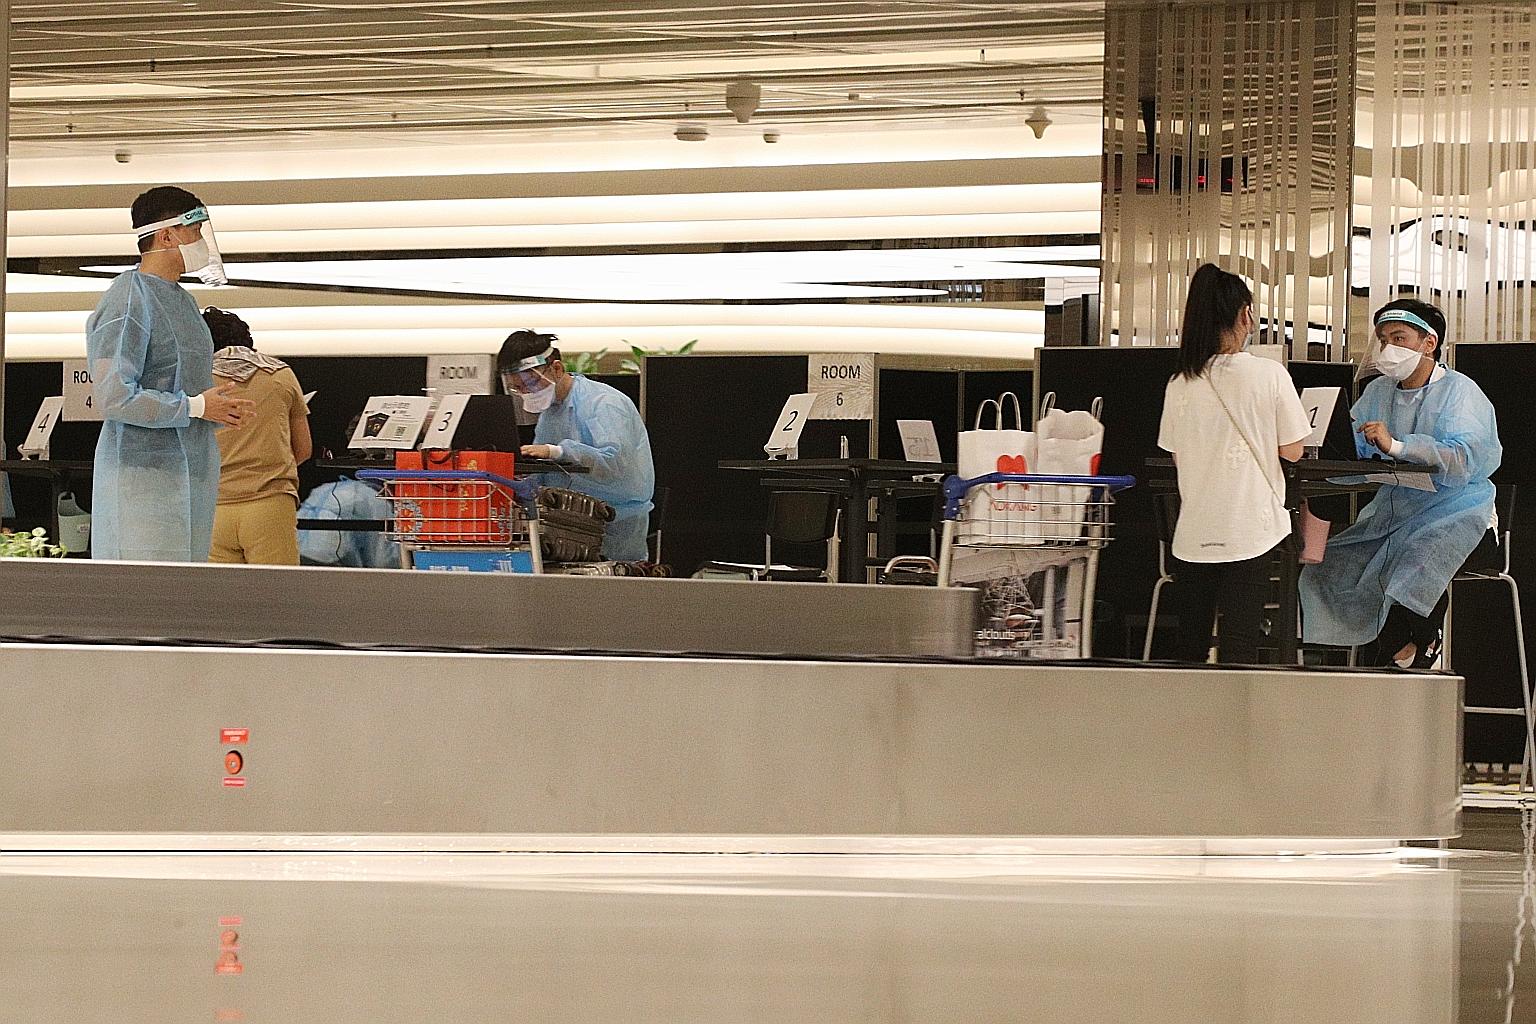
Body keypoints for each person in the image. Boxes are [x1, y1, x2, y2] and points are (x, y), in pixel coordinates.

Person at [1301, 299, 1501, 668]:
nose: (1388, 347)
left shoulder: (1460, 391)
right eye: (1382, 339)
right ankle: (1400, 649)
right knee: (1332, 565)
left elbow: (1466, 458)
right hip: (1396, 514)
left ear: (1429, 343)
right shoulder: (1379, 391)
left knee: (1412, 560)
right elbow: (1353, 446)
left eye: (1399, 337)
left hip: (1459, 514)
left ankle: (1422, 646)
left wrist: (1398, 446)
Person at [87, 186, 254, 562]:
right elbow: (114, 397)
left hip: (191, 478)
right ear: (166, 235)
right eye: (195, 231)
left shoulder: (184, 303)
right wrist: (196, 407)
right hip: (142, 483)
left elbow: (184, 384)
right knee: (146, 589)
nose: (201, 241)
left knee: (185, 587)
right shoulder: (127, 299)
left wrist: (217, 409)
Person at [1157, 264, 1311, 664]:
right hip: (1249, 528)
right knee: (1239, 644)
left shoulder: (1179, 383)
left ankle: (1188, 704)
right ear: (1245, 314)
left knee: (1191, 645)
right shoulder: (1269, 374)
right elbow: (1293, 450)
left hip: (1194, 532)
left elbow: (1176, 455)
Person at [496, 330, 655, 562]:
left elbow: (613, 463)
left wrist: (558, 451)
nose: (526, 393)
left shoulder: (604, 403)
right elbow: (541, 471)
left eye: (531, 383)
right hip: (564, 525)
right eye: (518, 388)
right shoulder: (551, 412)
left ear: (557, 368)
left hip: (614, 525)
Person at [203, 307, 312, 565]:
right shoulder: (281, 374)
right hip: (270, 503)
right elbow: (303, 448)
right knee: (276, 589)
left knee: (217, 591)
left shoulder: (192, 381)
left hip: (211, 508)